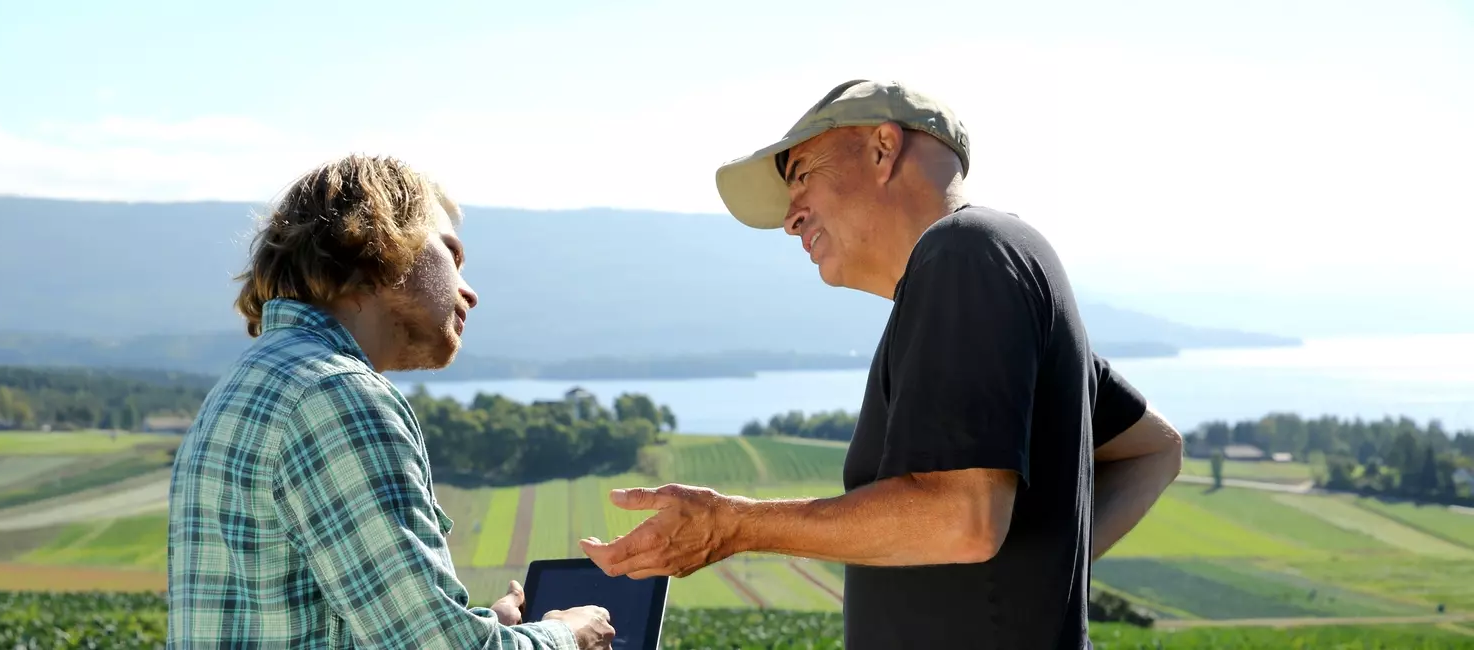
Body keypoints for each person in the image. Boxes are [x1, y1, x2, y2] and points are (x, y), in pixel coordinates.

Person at [579, 80, 1183, 649]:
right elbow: (1154, 448)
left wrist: (733, 525)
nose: (791, 219)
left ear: (882, 149)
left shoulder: (966, 253)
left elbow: (965, 519)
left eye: (801, 177)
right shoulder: (990, 273)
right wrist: (1044, 578)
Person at [168, 154, 614, 649]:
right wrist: (566, 636)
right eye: (453, 255)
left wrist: (492, 627)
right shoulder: (337, 394)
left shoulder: (243, 385)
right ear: (382, 246)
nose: (470, 293)